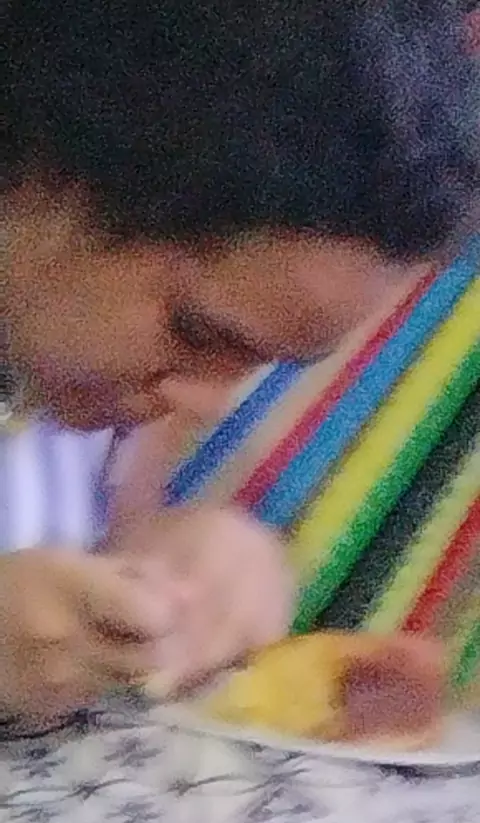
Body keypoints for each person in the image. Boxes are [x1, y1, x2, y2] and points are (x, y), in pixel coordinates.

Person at [2, 0, 478, 726]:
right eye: (195, 331)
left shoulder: (91, 394)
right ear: (42, 186)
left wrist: (175, 576)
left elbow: (86, 569)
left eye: (258, 363)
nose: (206, 404)